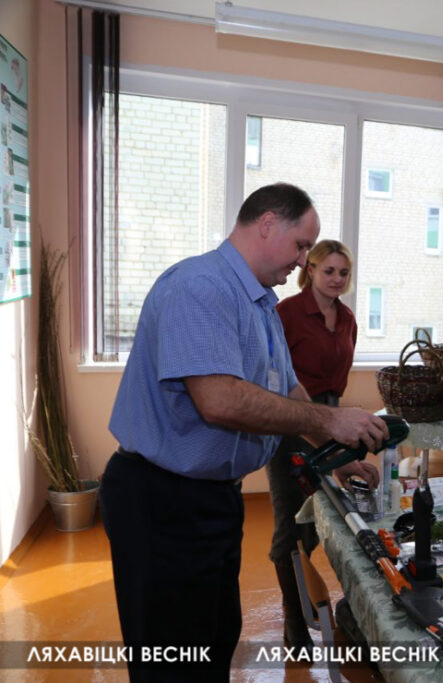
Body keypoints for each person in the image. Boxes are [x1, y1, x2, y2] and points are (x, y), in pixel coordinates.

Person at [101, 183, 385, 682]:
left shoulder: (259, 304)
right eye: (301, 245)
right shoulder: (200, 287)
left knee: (213, 642)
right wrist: (328, 420)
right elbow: (220, 400)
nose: (304, 261)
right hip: (163, 501)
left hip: (213, 499)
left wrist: (334, 454)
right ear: (268, 224)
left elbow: (288, 387)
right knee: (172, 658)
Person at [268, 239, 358, 649]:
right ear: (311, 270)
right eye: (329, 271)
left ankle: (310, 607)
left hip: (330, 422)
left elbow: (336, 384)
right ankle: (294, 621)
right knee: (293, 525)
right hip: (291, 426)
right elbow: (275, 376)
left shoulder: (348, 318)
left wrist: (338, 433)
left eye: (343, 272)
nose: (337, 279)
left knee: (320, 523)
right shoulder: (285, 313)